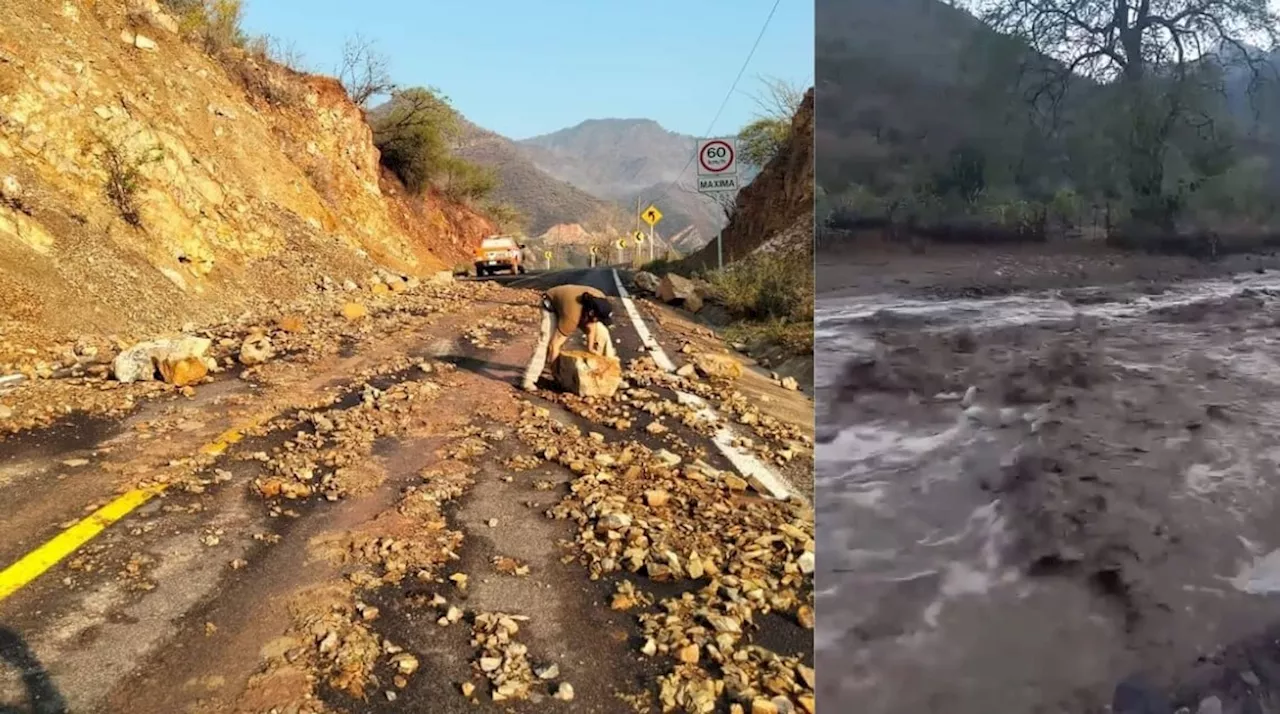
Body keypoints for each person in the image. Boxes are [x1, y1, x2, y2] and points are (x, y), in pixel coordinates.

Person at [522, 284, 616, 391]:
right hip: (551, 304)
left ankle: (607, 372)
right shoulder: (572, 317)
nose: (599, 320)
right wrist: (557, 375)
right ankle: (529, 379)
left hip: (579, 308)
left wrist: (590, 348)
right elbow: (554, 345)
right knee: (546, 340)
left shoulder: (600, 300)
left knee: (602, 334)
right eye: (599, 318)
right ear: (591, 313)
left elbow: (592, 325)